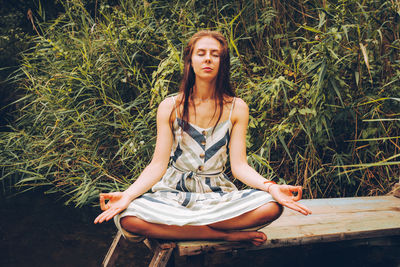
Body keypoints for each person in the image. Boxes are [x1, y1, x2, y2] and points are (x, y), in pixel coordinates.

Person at [94, 30, 311, 246]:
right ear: (190, 60)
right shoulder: (170, 107)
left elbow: (240, 166)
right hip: (173, 195)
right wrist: (128, 195)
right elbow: (157, 165)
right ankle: (222, 235)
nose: (208, 58)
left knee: (272, 206)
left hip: (217, 197)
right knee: (128, 218)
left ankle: (183, 228)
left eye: (215, 54)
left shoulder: (237, 108)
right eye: (201, 53)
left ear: (222, 63)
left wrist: (271, 187)